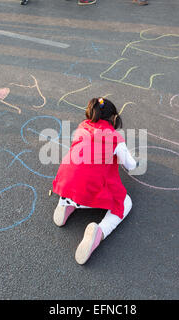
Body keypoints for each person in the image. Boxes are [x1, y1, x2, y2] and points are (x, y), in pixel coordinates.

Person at [52, 97, 137, 265]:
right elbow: (130, 165)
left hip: (66, 185)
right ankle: (99, 231)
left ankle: (66, 204)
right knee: (125, 203)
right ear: (114, 118)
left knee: (78, 178)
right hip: (89, 193)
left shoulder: (82, 127)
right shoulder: (115, 139)